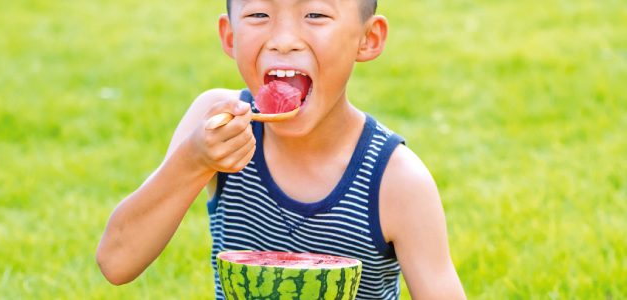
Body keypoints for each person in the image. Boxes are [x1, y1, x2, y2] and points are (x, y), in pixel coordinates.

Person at [96, 0, 466, 298]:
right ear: (230, 36)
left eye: (315, 14)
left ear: (367, 39)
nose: (284, 39)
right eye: (259, 14)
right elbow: (116, 262)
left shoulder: (396, 180)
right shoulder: (213, 126)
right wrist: (193, 160)